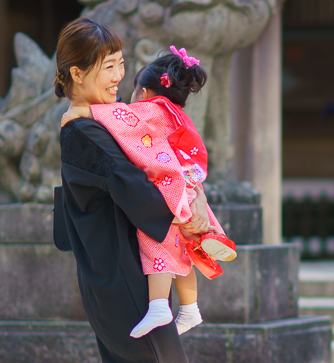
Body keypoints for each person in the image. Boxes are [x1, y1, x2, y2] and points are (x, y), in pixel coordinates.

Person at [15, 18, 212, 363]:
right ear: (76, 74)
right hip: (119, 269)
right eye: (107, 67)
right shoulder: (83, 129)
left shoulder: (100, 120)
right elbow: (130, 182)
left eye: (121, 64)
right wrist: (184, 216)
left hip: (127, 264)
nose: (118, 76)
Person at [72, 46, 237, 339]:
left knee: (155, 237)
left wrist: (83, 111)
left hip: (172, 186)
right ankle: (190, 308)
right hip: (188, 182)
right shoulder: (177, 114)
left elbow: (122, 119)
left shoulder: (152, 109)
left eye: (134, 91)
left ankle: (159, 304)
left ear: (146, 92)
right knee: (184, 247)